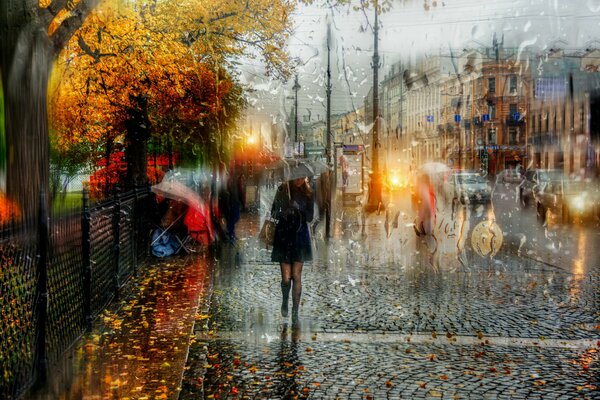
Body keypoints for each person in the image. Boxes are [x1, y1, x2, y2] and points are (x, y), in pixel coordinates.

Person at [270, 176, 314, 325]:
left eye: (302, 178)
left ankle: (295, 311)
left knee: (296, 276)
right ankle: (284, 300)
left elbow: (310, 216)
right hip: (284, 236)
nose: (299, 181)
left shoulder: (308, 193)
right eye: (297, 178)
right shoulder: (283, 190)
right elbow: (273, 213)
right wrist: (285, 210)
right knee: (286, 278)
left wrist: (299, 209)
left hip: (300, 237)